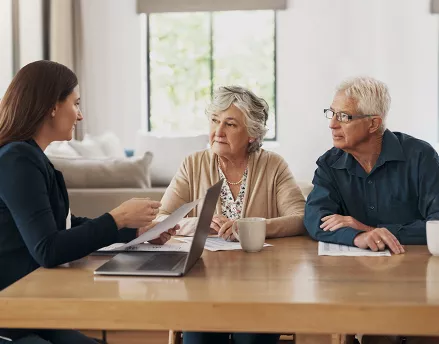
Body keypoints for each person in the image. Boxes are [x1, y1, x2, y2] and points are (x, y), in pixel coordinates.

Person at [0, 60, 177, 344]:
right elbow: (48, 249)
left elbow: (64, 226)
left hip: (29, 309)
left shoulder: (30, 157)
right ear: (52, 106)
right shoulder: (17, 160)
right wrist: (117, 217)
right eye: (76, 103)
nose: (80, 115)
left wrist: (135, 232)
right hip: (11, 315)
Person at [158, 85, 306, 344]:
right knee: (200, 337)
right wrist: (197, 223)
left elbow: (300, 218)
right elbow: (161, 219)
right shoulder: (193, 164)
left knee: (251, 337)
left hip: (261, 285)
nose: (218, 131)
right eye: (215, 121)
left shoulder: (273, 165)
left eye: (230, 124)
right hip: (201, 284)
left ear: (251, 134)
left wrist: (250, 227)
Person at [304, 76, 439, 344]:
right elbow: (315, 218)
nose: (332, 124)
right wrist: (357, 237)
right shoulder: (330, 164)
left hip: (421, 283)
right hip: (360, 285)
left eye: (344, 116)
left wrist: (373, 231)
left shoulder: (420, 156)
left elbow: (437, 225)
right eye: (331, 113)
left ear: (373, 123)